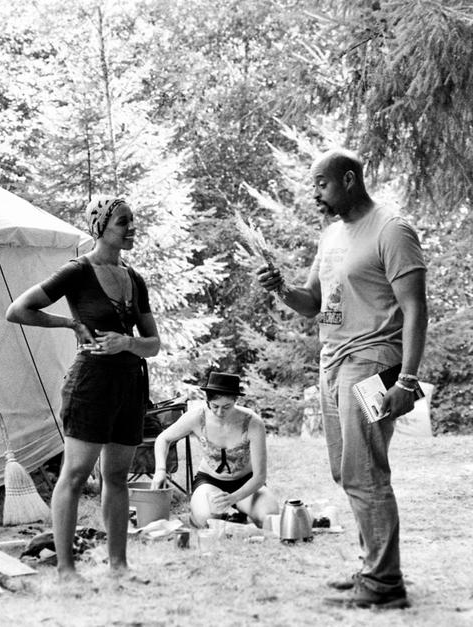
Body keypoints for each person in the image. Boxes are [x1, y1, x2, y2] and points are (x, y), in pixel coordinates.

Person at [257, 147, 427, 610]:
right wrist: (281, 290)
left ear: (349, 180)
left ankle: (384, 584)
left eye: (321, 184)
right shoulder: (331, 235)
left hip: (372, 361)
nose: (316, 194)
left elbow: (415, 308)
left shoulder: (392, 229)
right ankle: (373, 568)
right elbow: (312, 301)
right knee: (344, 469)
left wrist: (407, 382)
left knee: (365, 470)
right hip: (332, 361)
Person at [5, 196, 161, 581]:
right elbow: (18, 309)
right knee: (75, 474)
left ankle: (119, 566)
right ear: (100, 227)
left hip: (130, 383)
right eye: (124, 221)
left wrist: (127, 343)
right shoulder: (77, 272)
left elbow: (153, 343)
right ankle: (66, 569)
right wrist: (69, 325)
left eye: (132, 220)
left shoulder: (134, 279)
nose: (131, 227)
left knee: (118, 476)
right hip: (90, 383)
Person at [151, 372, 278, 528]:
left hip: (246, 482)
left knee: (270, 516)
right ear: (207, 401)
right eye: (215, 406)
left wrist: (233, 498)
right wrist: (160, 470)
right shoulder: (197, 417)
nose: (219, 412)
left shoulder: (253, 422)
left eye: (226, 407)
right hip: (209, 482)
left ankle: (240, 512)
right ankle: (228, 515)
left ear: (235, 400)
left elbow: (260, 476)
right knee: (206, 520)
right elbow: (163, 439)